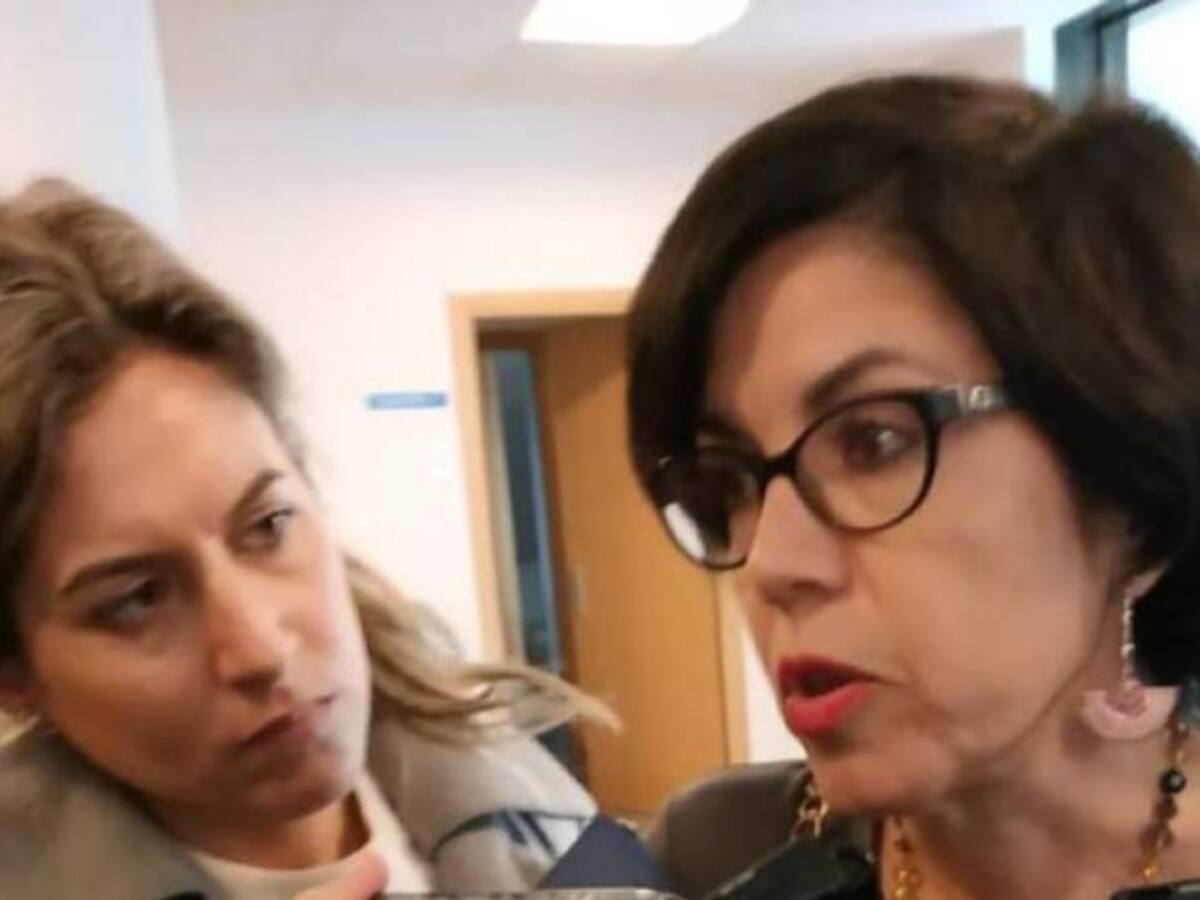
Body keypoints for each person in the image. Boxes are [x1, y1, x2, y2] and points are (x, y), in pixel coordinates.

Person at [628, 74, 1200, 900]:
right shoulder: (706, 852)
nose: (772, 565)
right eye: (730, 480)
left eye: (874, 441)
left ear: (1131, 492)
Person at [0, 179, 603, 900]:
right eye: (137, 599)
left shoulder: (502, 770)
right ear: (15, 677)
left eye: (268, 526)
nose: (261, 649)